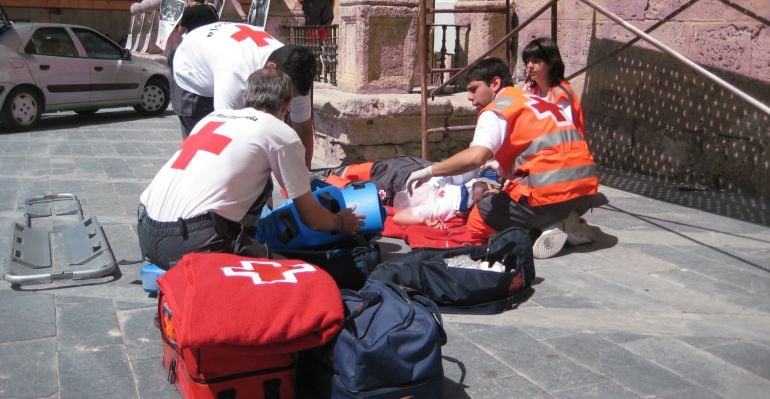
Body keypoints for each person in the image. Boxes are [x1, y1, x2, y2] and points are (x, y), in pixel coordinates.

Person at [137, 68, 363, 269]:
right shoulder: (280, 133)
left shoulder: (211, 119)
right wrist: (342, 222)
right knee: (305, 278)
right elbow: (312, 219)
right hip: (193, 242)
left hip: (146, 232)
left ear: (245, 97)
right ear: (286, 104)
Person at [405, 57, 599, 259]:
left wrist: (428, 171)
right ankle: (560, 222)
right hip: (586, 193)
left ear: (495, 83)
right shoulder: (537, 100)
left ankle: (535, 230)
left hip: (551, 192)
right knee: (511, 192)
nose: (470, 97)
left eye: (473, 89)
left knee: (479, 218)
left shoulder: (497, 110)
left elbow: (475, 157)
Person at [171, 22, 317, 167]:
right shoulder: (235, 75)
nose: (287, 103)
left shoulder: (296, 69)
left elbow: (303, 126)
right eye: (286, 95)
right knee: (203, 153)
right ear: (271, 68)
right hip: (191, 70)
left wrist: (304, 177)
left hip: (222, 52)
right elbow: (228, 137)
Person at [325, 156, 498, 230]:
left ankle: (330, 180)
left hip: (397, 187)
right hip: (415, 168)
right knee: (380, 167)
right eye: (491, 187)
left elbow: (400, 217)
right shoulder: (466, 181)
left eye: (488, 193)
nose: (491, 188)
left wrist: (424, 221)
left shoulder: (441, 207)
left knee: (362, 189)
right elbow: (470, 163)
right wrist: (487, 164)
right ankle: (340, 171)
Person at [521, 37, 585, 138]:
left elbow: (565, 133)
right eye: (527, 61)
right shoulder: (528, 88)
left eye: (535, 61)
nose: (529, 66)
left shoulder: (561, 94)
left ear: (550, 64)